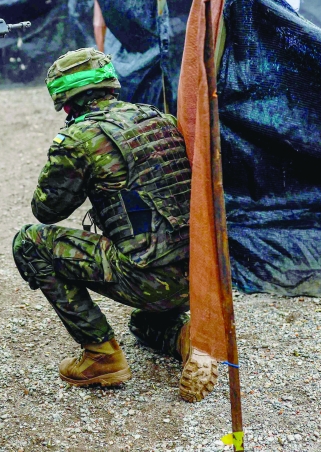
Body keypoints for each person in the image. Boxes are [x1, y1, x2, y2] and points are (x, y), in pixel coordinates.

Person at [12, 48, 206, 390]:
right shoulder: (158, 118)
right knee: (143, 325)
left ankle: (101, 356)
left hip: (148, 277)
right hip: (198, 278)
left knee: (30, 243)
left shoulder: (79, 138)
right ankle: (188, 335)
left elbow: (46, 211)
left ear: (65, 101)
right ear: (111, 85)